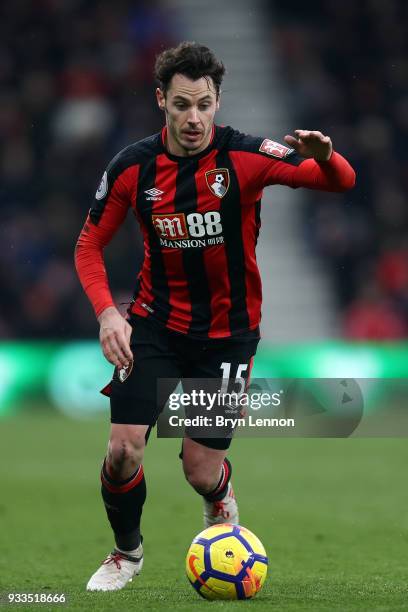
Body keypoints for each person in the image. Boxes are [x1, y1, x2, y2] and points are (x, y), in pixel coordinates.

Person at [74, 41, 356, 592]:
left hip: (227, 337)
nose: (194, 117)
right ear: (161, 101)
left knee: (199, 470)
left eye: (204, 104)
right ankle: (126, 553)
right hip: (153, 325)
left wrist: (325, 156)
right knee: (123, 447)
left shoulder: (245, 156)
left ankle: (219, 497)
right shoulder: (133, 166)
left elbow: (341, 182)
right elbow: (88, 245)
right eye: (182, 104)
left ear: (218, 101)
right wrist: (109, 314)